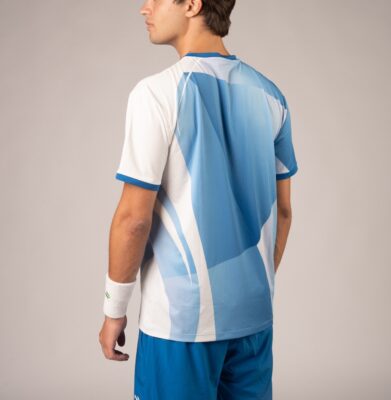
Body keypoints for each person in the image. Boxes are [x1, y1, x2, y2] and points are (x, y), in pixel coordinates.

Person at [98, 0, 299, 398]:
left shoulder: (156, 94)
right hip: (254, 316)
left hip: (181, 323)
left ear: (192, 4)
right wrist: (251, 287)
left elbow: (133, 220)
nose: (144, 8)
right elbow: (284, 212)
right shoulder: (271, 95)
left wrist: (113, 308)